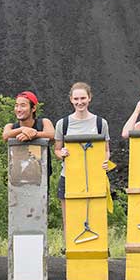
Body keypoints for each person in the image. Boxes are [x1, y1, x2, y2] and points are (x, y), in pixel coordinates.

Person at [53, 82, 111, 234]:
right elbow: (57, 150)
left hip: (94, 178)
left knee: (95, 216)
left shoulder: (101, 123)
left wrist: (106, 162)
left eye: (83, 98)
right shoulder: (62, 124)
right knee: (69, 218)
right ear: (71, 99)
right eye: (76, 99)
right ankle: (70, 251)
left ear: (89, 98)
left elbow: (106, 150)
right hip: (69, 177)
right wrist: (62, 153)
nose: (80, 102)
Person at [1, 90, 55, 194]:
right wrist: (22, 130)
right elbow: (5, 136)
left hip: (41, 179)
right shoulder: (11, 126)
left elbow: (52, 135)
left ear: (33, 108)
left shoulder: (43, 123)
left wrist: (34, 134)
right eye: (16, 106)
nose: (18, 109)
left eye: (23, 106)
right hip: (17, 178)